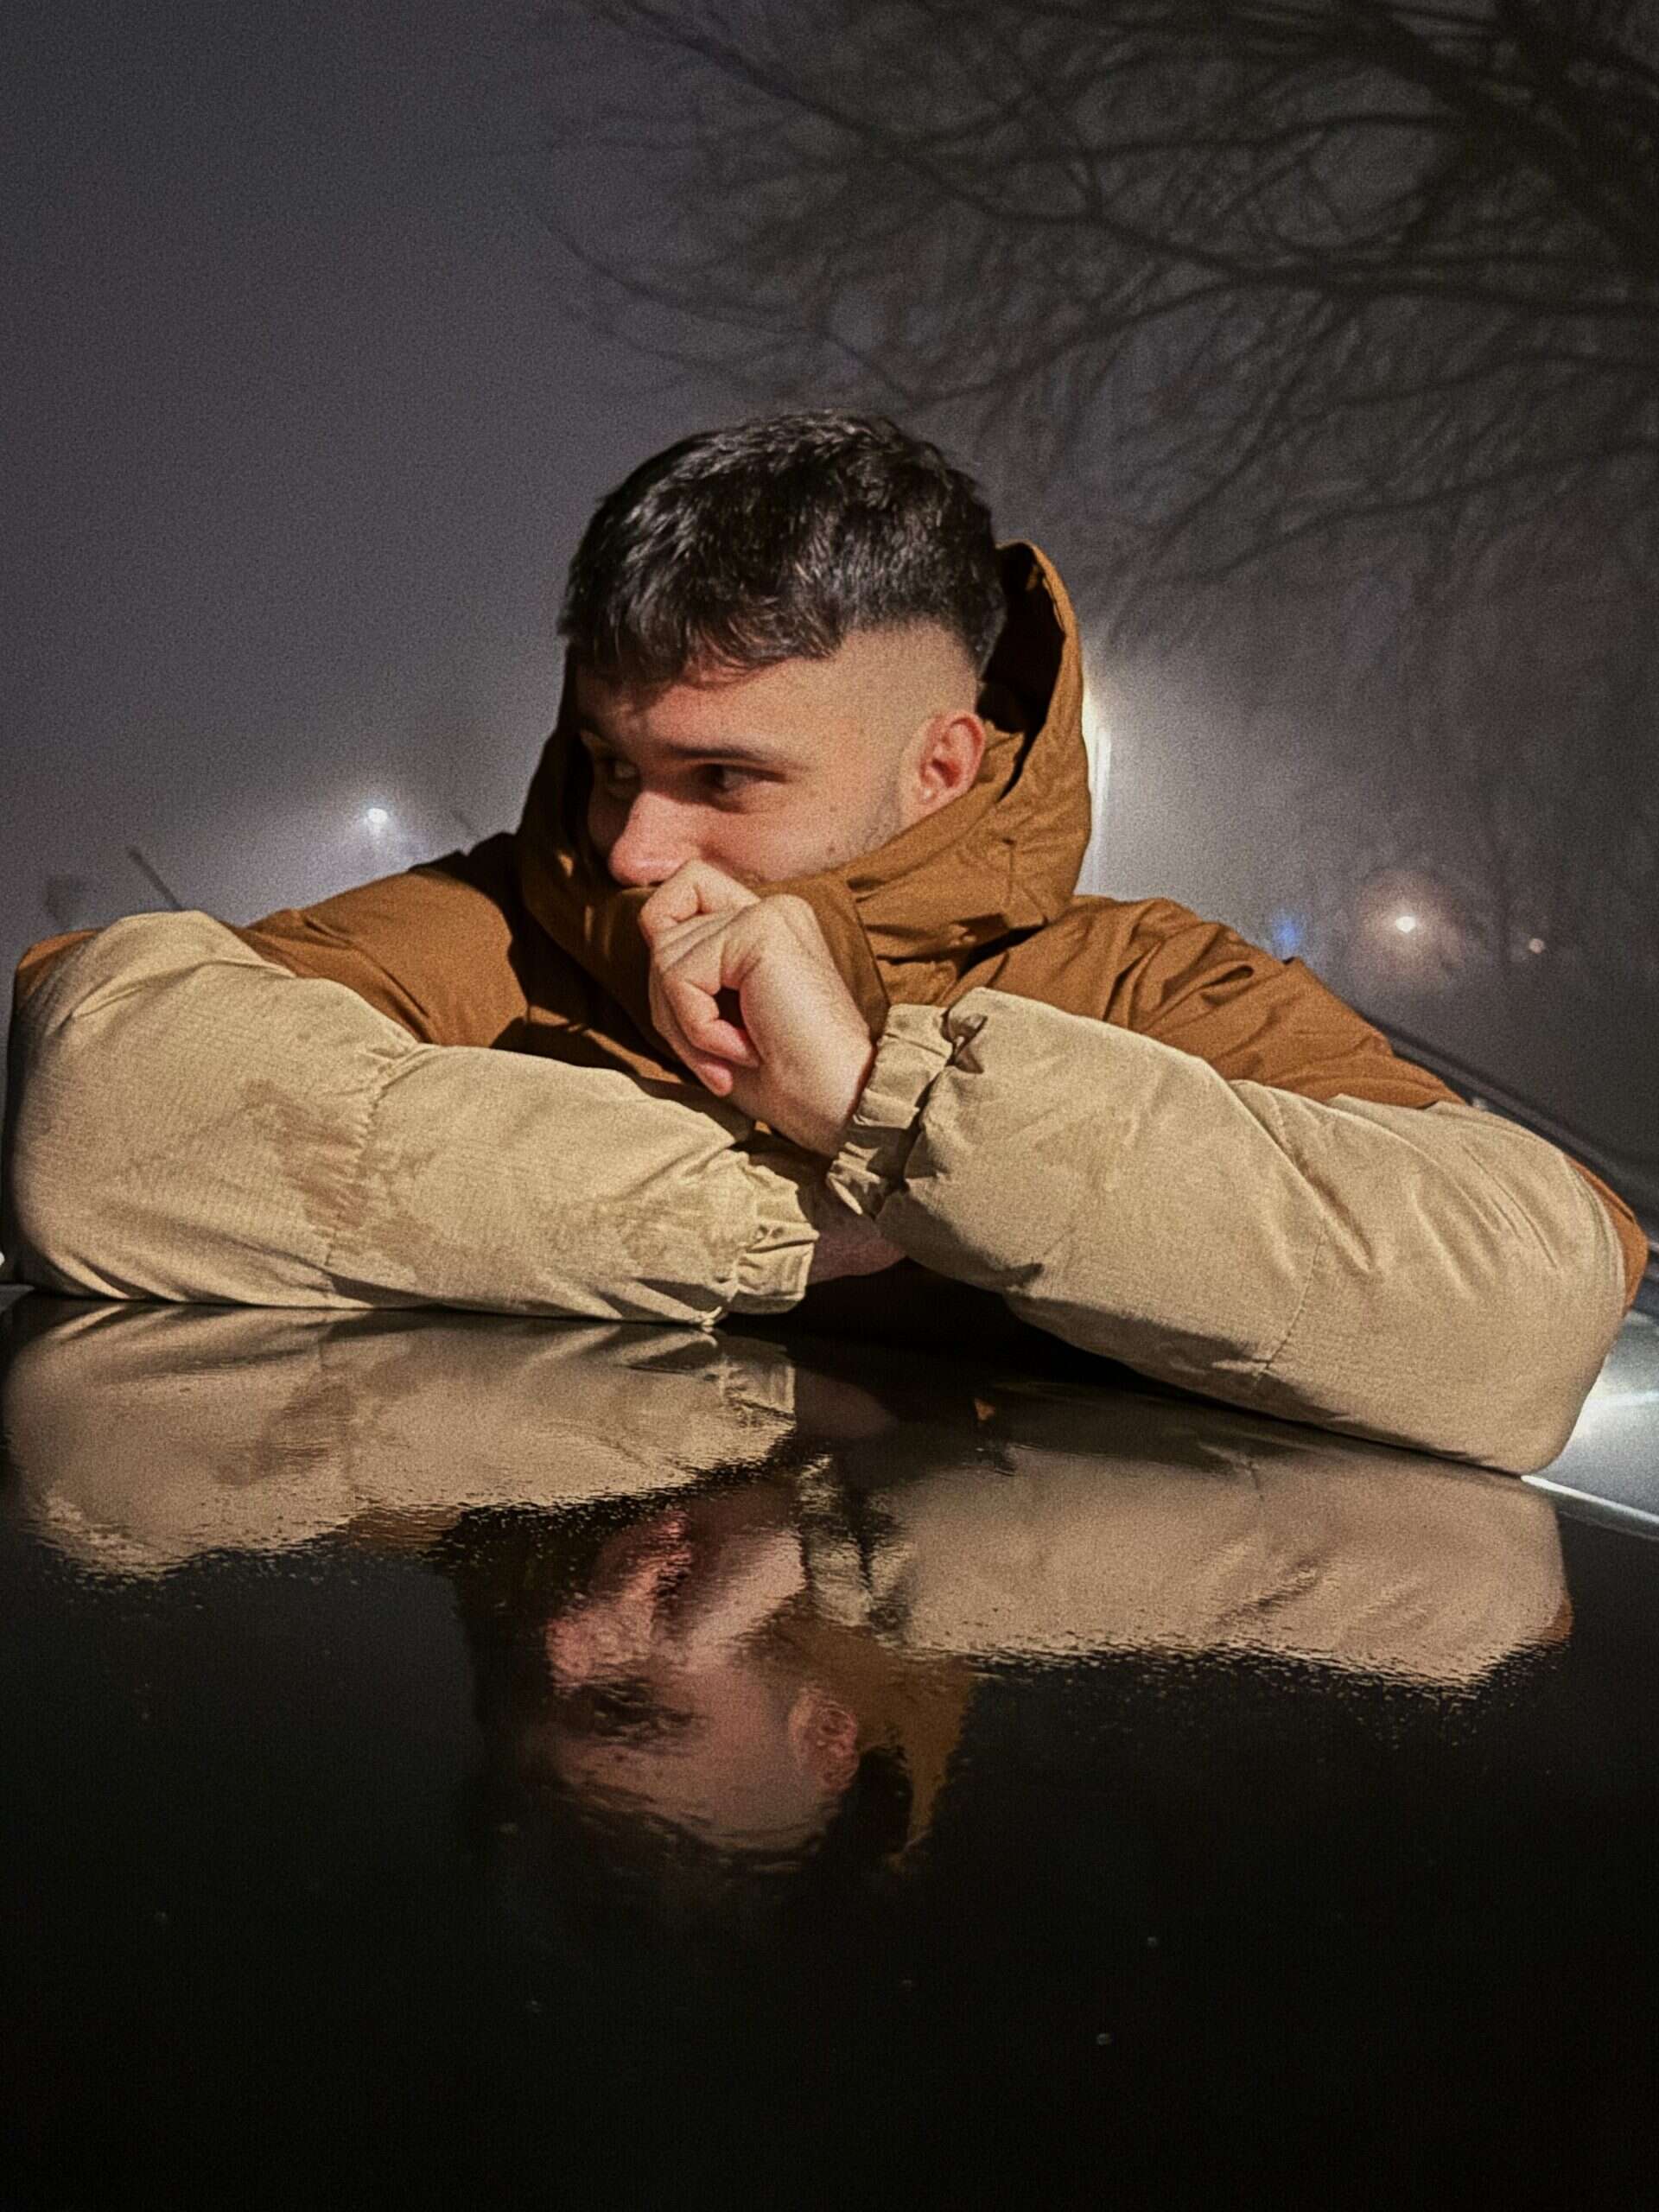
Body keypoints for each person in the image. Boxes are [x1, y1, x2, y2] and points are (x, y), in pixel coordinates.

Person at [2, 413, 1645, 1473]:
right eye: (609, 761)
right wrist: (776, 1212)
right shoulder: (501, 920)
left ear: (940, 764)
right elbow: (100, 1100)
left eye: (724, 780)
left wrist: (891, 1106)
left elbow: (1528, 1296)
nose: (633, 848)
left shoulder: (1141, 984)